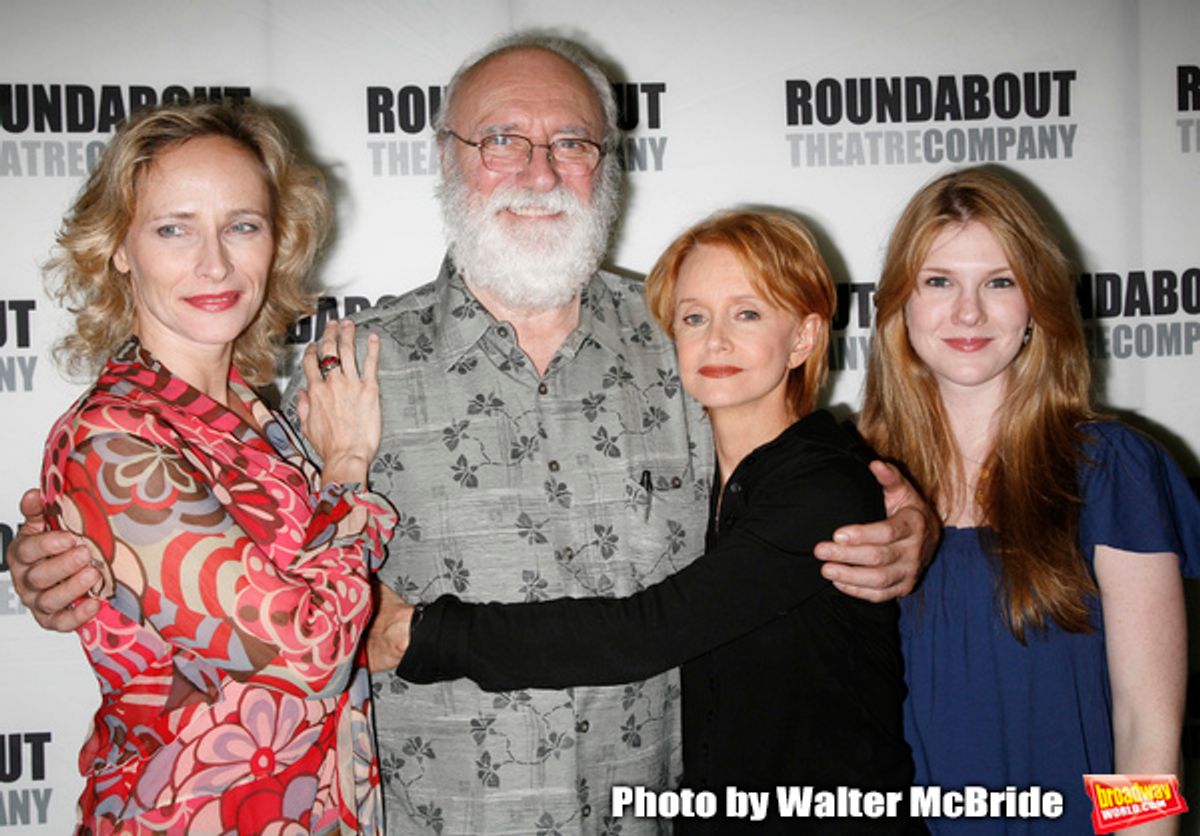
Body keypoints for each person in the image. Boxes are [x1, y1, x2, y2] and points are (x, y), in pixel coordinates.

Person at [10, 34, 933, 835]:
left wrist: (900, 516)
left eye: (570, 142)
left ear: (606, 164)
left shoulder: (687, 341)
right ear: (447, 158)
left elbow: (787, 485)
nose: (539, 171)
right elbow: (230, 571)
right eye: (502, 141)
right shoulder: (345, 371)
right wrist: (74, 567)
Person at [386, 209, 923, 834]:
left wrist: (420, 635)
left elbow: (641, 635)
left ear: (803, 338)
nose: (716, 340)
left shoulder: (824, 485)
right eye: (695, 317)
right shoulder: (710, 475)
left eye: (747, 313)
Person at [37, 102, 395, 834]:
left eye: (242, 225)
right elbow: (305, 659)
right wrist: (350, 471)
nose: (215, 263)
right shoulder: (111, 439)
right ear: (119, 247)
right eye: (175, 228)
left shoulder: (249, 411)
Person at [858, 167, 1200, 834]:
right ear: (901, 300)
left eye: (999, 281)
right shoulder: (846, 478)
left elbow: (1146, 733)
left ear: (1036, 302)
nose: (967, 312)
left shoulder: (1110, 470)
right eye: (939, 282)